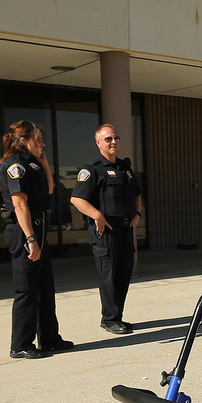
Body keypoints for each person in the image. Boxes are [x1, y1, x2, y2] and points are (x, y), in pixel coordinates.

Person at [0, 121, 72, 358]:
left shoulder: (33, 163)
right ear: (24, 141)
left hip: (38, 230)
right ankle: (20, 344)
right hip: (24, 231)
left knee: (44, 287)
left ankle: (49, 338)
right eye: (38, 139)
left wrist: (44, 161)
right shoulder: (15, 166)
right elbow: (20, 205)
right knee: (27, 290)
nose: (42, 143)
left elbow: (50, 190)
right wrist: (30, 239)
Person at [71, 123, 142, 334]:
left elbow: (137, 193)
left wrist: (137, 214)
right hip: (105, 232)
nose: (113, 142)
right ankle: (109, 319)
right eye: (108, 139)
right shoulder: (92, 169)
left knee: (123, 274)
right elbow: (77, 199)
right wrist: (97, 216)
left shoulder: (124, 168)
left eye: (115, 138)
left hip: (125, 230)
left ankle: (117, 316)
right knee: (109, 276)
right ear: (98, 143)